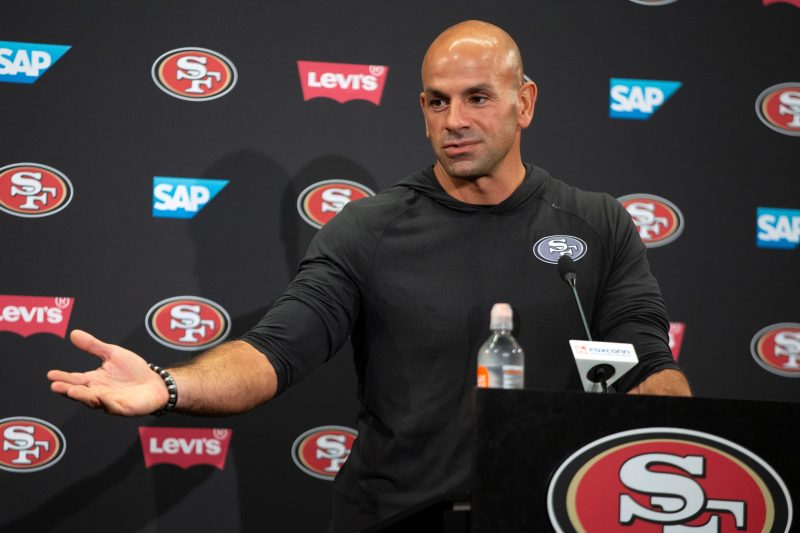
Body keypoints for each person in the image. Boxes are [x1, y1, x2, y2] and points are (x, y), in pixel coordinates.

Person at [48, 20, 691, 532]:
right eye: (437, 101)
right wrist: (168, 384)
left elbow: (649, 367)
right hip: (398, 520)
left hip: (550, 514)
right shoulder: (367, 229)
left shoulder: (597, 223)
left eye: (477, 98)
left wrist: (681, 453)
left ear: (523, 103)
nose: (454, 120)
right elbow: (273, 353)